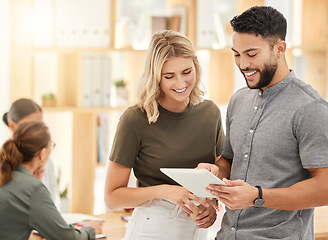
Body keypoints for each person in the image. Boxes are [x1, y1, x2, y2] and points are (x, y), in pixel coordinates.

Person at [201, 6, 328, 240]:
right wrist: (213, 174)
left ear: (280, 49)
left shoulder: (310, 108)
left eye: (251, 54)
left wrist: (257, 196)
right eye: (237, 54)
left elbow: (324, 188)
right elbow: (230, 160)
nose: (242, 64)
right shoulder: (238, 99)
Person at [104, 30, 225, 240]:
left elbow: (220, 173)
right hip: (152, 229)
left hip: (197, 229)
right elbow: (112, 197)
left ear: (196, 64)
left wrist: (211, 205)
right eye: (169, 76)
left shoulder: (210, 113)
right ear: (155, 75)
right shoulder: (135, 119)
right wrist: (164, 191)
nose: (180, 83)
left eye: (187, 72)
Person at [0, 120, 102, 239]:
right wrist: (90, 230)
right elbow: (67, 238)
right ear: (42, 154)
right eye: (51, 146)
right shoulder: (32, 189)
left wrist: (34, 181)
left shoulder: (9, 176)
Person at [2, 98, 61, 209]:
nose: (38, 131)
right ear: (12, 126)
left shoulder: (46, 161)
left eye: (40, 125)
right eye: (31, 125)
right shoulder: (4, 162)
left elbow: (54, 204)